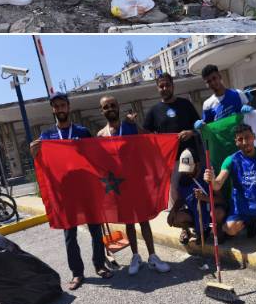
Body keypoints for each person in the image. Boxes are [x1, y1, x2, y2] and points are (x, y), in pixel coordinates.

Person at [29, 92, 111, 289]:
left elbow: (95, 157)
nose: (60, 109)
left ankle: (99, 265)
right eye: (56, 106)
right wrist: (34, 151)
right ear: (53, 109)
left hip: (86, 189)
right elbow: (41, 161)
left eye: (62, 105)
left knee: (95, 230)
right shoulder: (47, 136)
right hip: (65, 193)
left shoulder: (82, 132)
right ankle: (77, 273)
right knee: (69, 235)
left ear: (68, 107)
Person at [96, 95, 170, 275]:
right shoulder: (100, 135)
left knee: (143, 219)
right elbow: (100, 162)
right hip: (118, 185)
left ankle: (152, 256)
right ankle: (135, 256)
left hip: (137, 180)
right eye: (106, 107)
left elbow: (149, 141)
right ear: (102, 111)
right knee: (129, 222)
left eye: (113, 105)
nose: (110, 108)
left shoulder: (130, 126)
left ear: (118, 107)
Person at [144, 72, 204, 243]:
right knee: (176, 194)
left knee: (190, 189)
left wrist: (190, 132)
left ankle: (201, 226)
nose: (164, 88)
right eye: (161, 86)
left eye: (167, 85)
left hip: (189, 157)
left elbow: (199, 127)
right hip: (168, 161)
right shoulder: (154, 111)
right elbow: (147, 135)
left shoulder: (185, 104)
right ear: (157, 88)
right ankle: (185, 228)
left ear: (173, 86)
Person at [166, 149, 227, 245]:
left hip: (210, 212)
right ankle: (189, 230)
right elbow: (181, 199)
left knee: (217, 213)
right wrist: (173, 211)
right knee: (175, 218)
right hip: (195, 214)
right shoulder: (183, 179)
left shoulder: (207, 176)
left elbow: (222, 200)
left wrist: (204, 198)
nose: (187, 173)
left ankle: (217, 230)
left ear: (197, 165)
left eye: (189, 170)